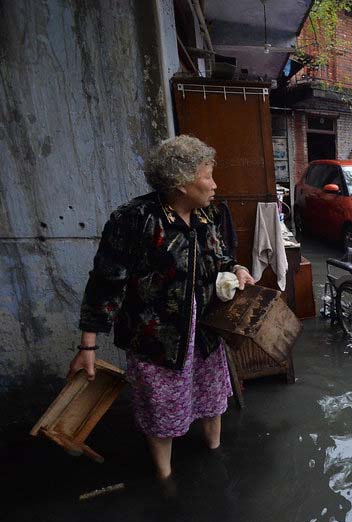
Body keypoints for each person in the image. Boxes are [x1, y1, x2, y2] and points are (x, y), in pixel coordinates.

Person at [68, 135, 254, 482]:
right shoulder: (134, 220)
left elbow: (219, 256)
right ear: (181, 183)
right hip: (158, 340)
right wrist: (88, 345)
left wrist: (237, 268)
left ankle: (214, 456)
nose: (215, 185)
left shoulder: (207, 214)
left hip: (205, 331)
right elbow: (105, 283)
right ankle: (165, 479)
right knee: (162, 411)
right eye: (207, 176)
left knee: (211, 398)